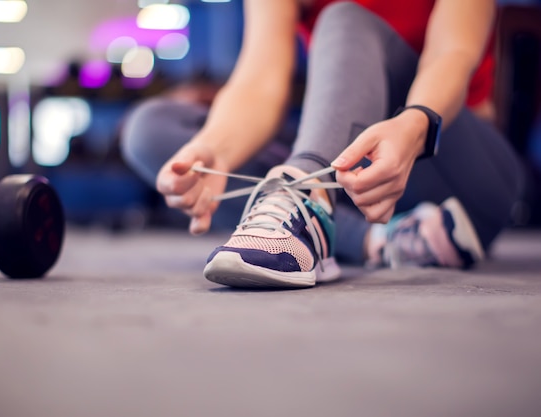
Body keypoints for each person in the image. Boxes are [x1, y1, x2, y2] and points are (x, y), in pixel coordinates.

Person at [122, 0, 525, 289]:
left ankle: (304, 198)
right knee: (151, 129)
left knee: (344, 15)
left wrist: (414, 124)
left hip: (453, 173)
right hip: (353, 181)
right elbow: (259, 80)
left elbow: (453, 52)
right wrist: (216, 148)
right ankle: (372, 240)